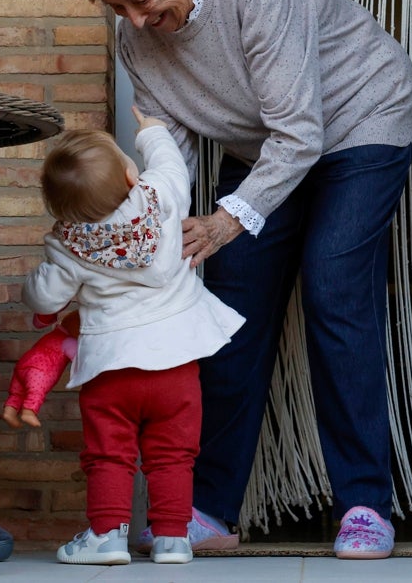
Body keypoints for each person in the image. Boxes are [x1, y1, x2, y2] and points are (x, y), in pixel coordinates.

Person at [79, 0, 412, 559]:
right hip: (265, 148)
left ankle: (364, 504)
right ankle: (204, 507)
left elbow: (301, 130)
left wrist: (225, 222)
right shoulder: (136, 36)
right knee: (227, 307)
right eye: (119, 8)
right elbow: (168, 145)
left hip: (359, 119)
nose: (137, 20)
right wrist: (155, 232)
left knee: (333, 287)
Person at [22, 109, 245, 566]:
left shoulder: (70, 243)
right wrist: (154, 131)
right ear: (130, 173)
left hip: (112, 369)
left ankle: (106, 536)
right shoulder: (161, 198)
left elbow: (45, 300)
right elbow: (171, 165)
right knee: (173, 456)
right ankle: (172, 538)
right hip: (177, 367)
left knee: (109, 455)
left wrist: (37, 280)